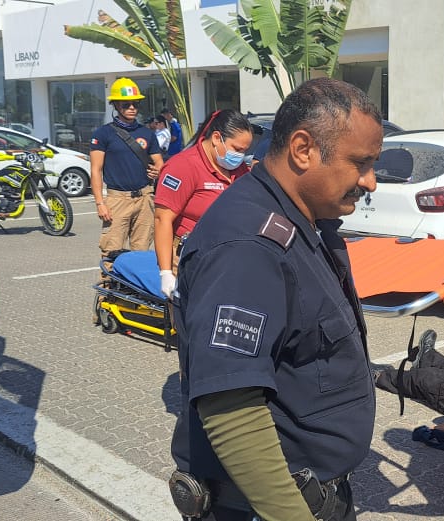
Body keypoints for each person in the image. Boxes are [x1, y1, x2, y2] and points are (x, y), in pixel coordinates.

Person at [167, 78, 382, 521]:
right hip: (266, 505)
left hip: (308, 492)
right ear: (303, 149)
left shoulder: (298, 220)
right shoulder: (249, 246)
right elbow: (231, 405)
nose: (371, 182)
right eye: (360, 163)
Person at [153, 109, 253, 297]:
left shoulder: (239, 170)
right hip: (189, 256)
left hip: (226, 255)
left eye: (245, 151)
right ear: (216, 138)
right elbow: (162, 219)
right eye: (237, 149)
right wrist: (166, 272)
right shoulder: (183, 166)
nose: (240, 155)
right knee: (193, 320)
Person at [89, 77, 164, 268]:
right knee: (111, 253)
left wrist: (157, 171)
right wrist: (100, 203)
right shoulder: (103, 134)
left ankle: (135, 296)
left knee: (142, 253)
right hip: (117, 200)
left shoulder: (147, 133)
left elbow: (159, 163)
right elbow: (96, 170)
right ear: (115, 105)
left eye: (135, 104)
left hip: (145, 198)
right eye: (126, 104)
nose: (132, 108)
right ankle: (108, 293)